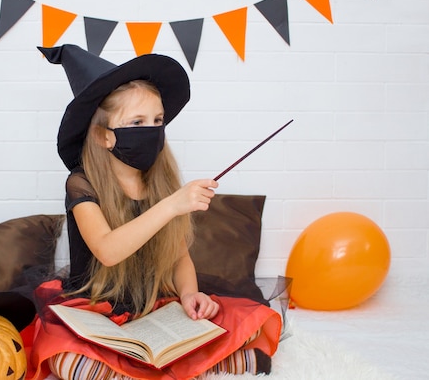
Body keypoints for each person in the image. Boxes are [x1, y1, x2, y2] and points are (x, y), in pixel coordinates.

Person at [21, 44, 282, 380]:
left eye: (157, 120)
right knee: (65, 357)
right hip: (96, 308)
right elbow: (107, 249)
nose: (152, 129)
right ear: (103, 136)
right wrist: (172, 205)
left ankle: (157, 367)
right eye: (138, 121)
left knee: (245, 327)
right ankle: (176, 369)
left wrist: (190, 294)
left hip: (153, 306)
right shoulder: (81, 184)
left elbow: (178, 256)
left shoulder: (161, 182)